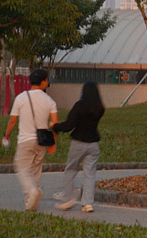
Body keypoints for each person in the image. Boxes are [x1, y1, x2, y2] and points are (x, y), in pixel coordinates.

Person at [2, 69, 57, 211]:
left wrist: (7, 135)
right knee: (36, 169)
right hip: (42, 141)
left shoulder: (21, 98)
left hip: (25, 140)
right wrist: (53, 143)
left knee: (22, 167)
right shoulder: (49, 101)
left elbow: (13, 120)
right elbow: (54, 124)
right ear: (44, 82)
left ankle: (31, 192)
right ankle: (31, 201)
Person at [51, 80, 105, 213]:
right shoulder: (100, 108)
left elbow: (70, 125)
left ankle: (68, 198)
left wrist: (55, 127)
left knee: (71, 170)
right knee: (90, 174)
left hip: (78, 143)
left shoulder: (79, 106)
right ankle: (87, 203)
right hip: (93, 144)